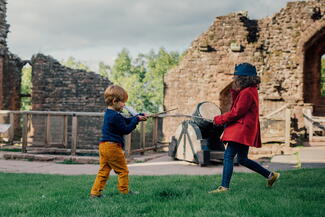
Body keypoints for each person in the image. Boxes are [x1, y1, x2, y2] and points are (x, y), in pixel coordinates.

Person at [209, 63, 280, 193]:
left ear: (243, 78)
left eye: (236, 77)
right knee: (242, 159)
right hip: (244, 128)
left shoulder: (247, 92)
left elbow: (237, 112)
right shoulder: (248, 91)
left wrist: (220, 118)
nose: (234, 79)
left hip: (241, 129)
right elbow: (239, 108)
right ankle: (270, 175)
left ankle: (224, 187)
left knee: (228, 156)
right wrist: (236, 93)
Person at [90, 85, 147, 197]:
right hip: (112, 147)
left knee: (104, 170)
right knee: (123, 171)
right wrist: (136, 120)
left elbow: (126, 120)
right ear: (115, 101)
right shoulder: (115, 116)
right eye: (122, 102)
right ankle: (124, 192)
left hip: (104, 146)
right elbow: (125, 129)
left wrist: (138, 117)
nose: (124, 105)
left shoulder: (111, 114)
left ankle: (95, 193)